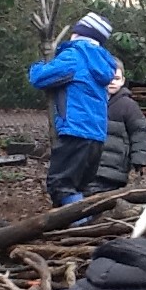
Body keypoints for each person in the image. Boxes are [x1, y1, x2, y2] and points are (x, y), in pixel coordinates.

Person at [28, 12, 117, 209]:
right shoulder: (102, 62)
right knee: (81, 185)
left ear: (77, 34)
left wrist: (40, 64)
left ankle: (80, 221)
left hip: (75, 131)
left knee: (60, 184)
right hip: (96, 136)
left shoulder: (75, 56)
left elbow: (39, 78)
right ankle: (85, 218)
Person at [85, 58, 146, 195]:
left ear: (122, 80)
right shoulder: (90, 102)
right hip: (90, 166)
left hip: (116, 167)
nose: (112, 81)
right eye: (108, 77)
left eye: (116, 78)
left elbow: (140, 132)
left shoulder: (128, 105)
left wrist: (139, 160)